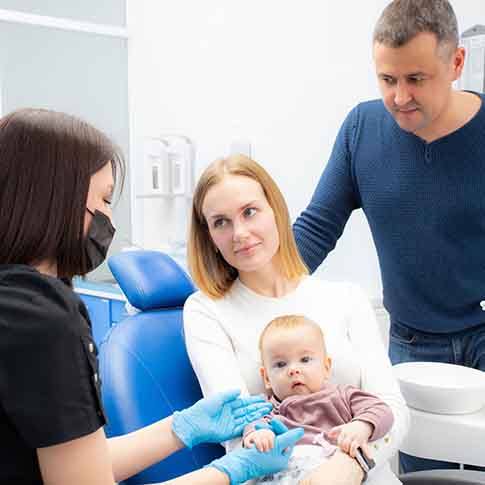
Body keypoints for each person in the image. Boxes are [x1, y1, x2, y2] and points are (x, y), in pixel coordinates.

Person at [0, 108, 304, 485]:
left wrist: (181, 428)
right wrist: (229, 472)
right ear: (57, 201)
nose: (109, 221)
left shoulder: (17, 305)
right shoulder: (42, 320)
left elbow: (77, 462)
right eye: (105, 200)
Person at [292, 0, 485, 474]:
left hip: (483, 334)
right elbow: (316, 229)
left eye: (416, 79)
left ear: (456, 63)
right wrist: (250, 290)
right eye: (387, 80)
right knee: (422, 474)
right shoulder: (362, 129)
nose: (400, 96)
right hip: (411, 346)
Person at [184, 154, 409, 485]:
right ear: (209, 238)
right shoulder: (206, 311)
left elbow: (393, 410)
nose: (240, 233)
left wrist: (352, 465)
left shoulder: (345, 298)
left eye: (249, 212)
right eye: (221, 222)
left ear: (275, 209)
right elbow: (236, 430)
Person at [242, 314, 394, 484]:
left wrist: (361, 426)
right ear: (267, 378)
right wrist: (260, 435)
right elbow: (252, 427)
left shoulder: (343, 396)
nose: (293, 370)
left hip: (338, 471)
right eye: (280, 364)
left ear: (326, 367)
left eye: (305, 359)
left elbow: (382, 410)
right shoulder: (269, 409)